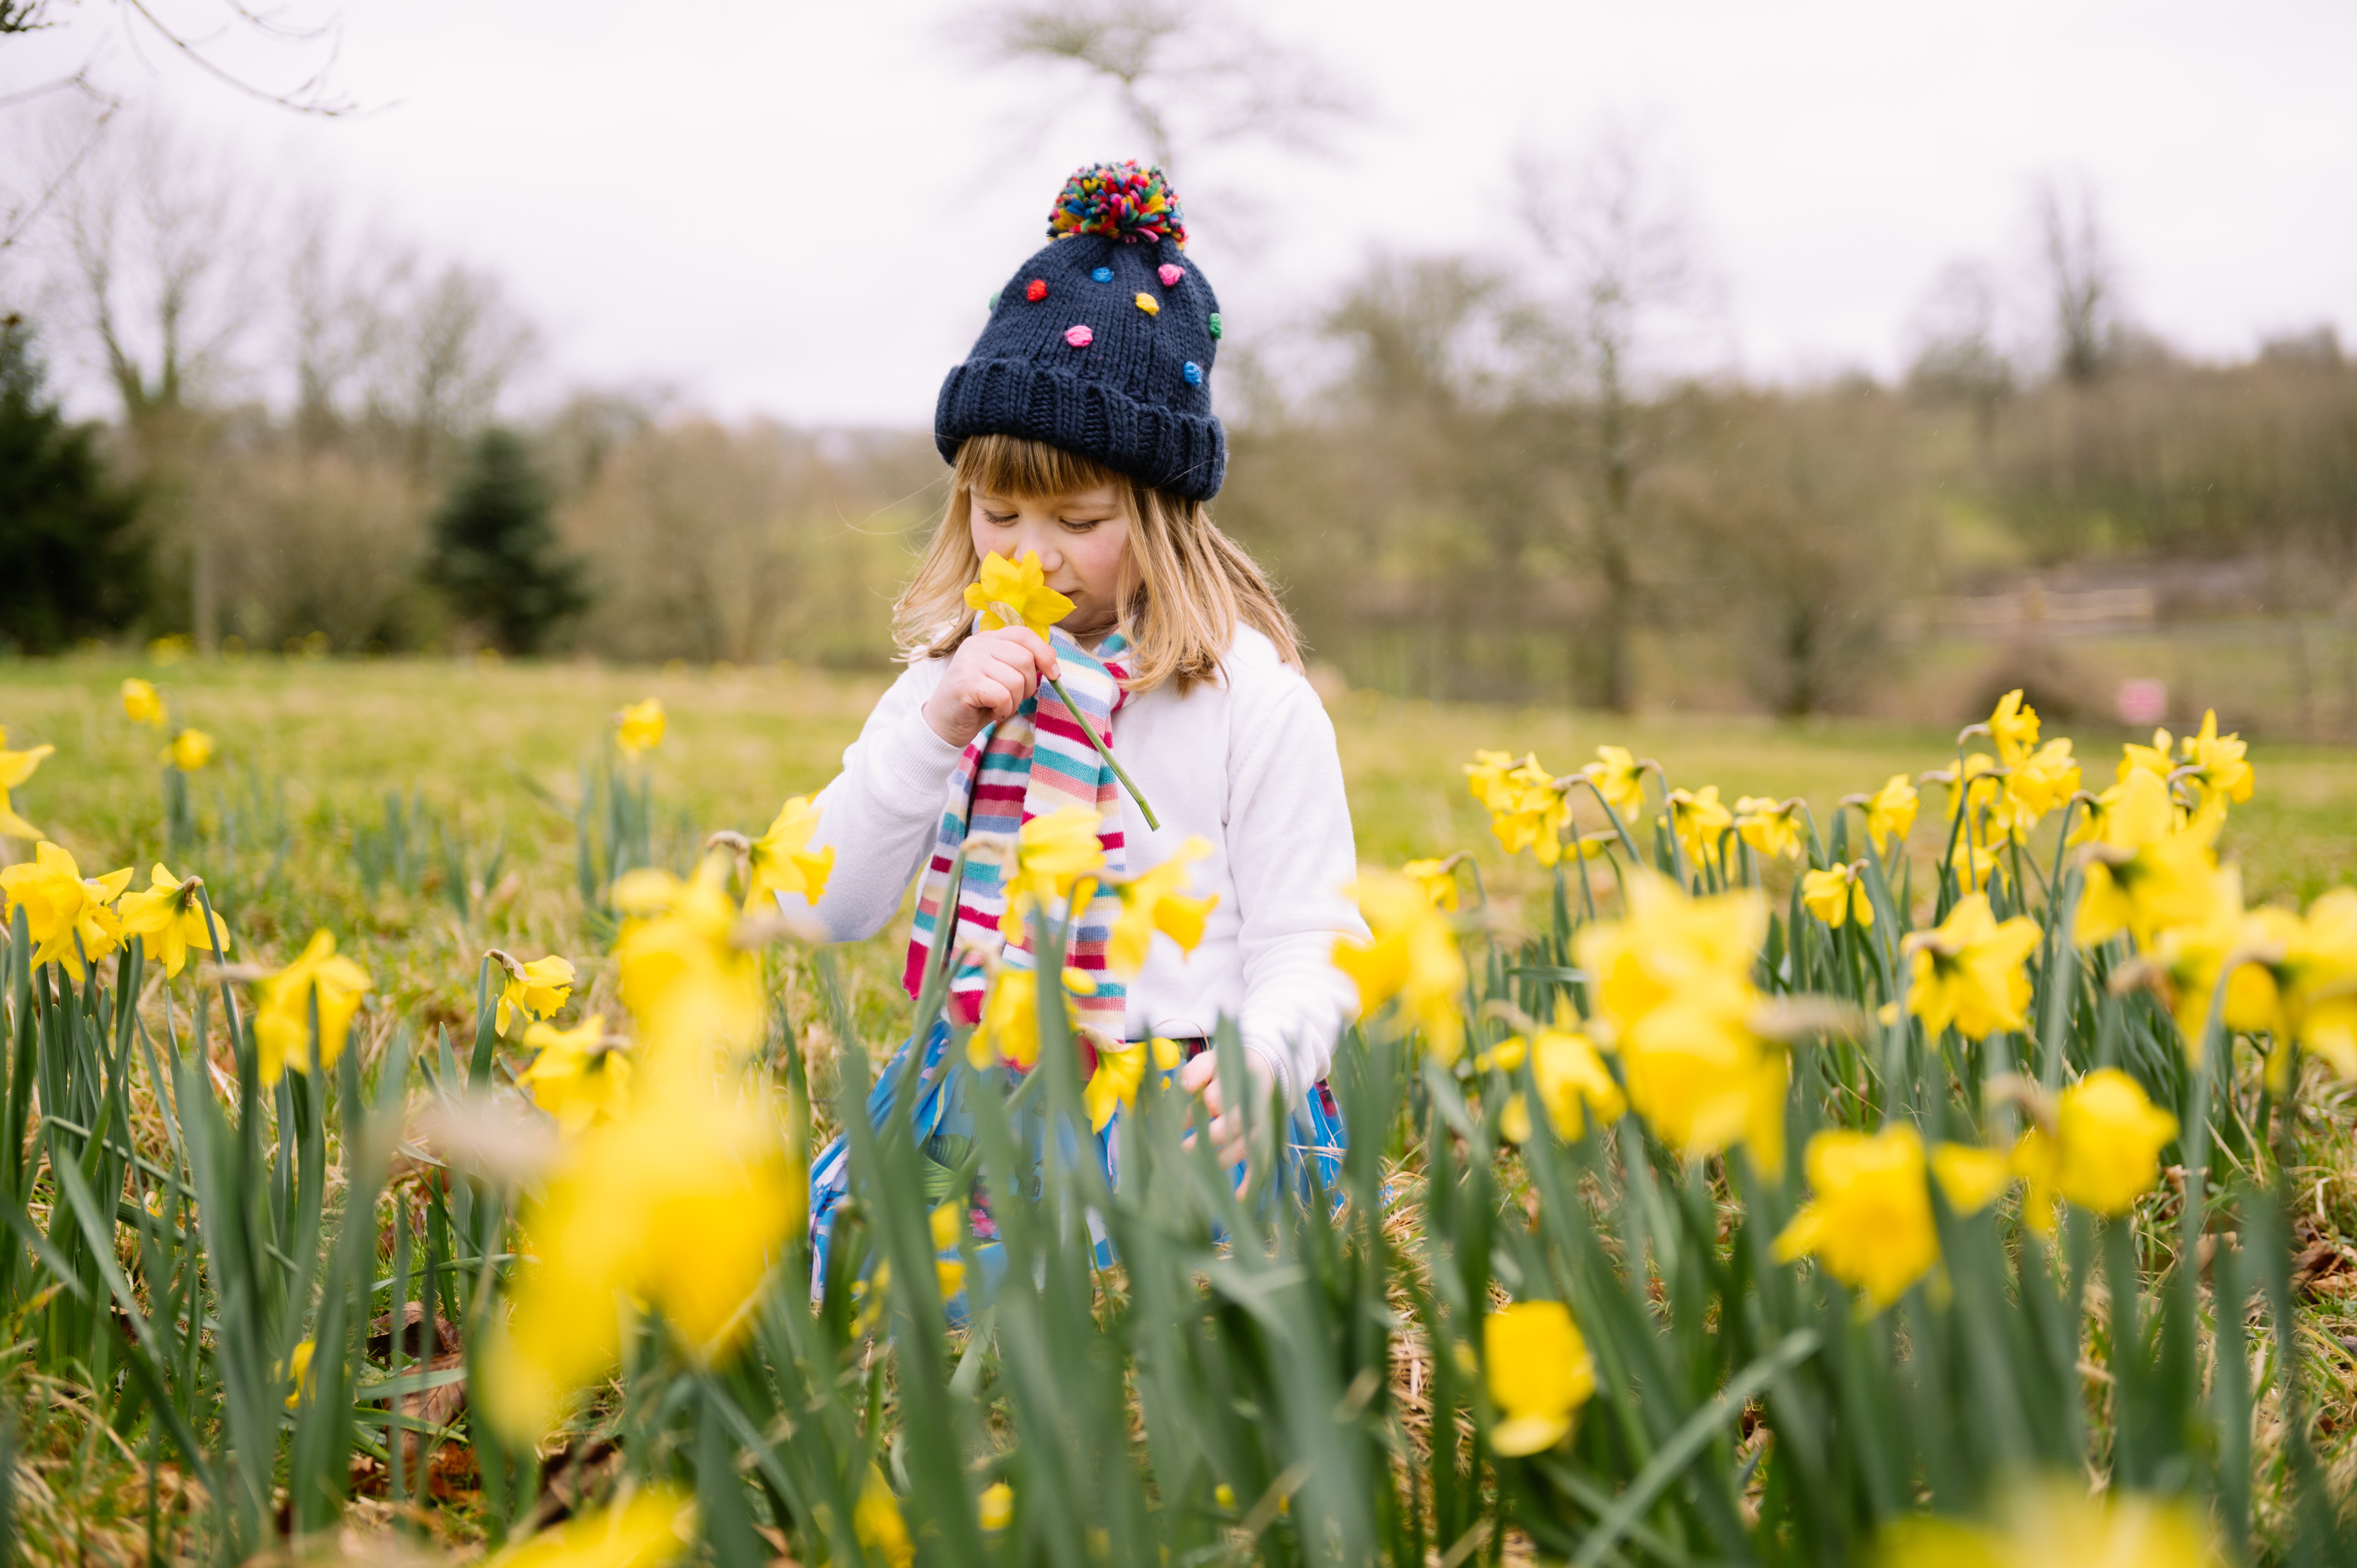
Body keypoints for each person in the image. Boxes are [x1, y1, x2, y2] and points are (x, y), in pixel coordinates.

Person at [780, 161, 1363, 1285]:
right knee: (884, 1267)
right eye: (998, 513)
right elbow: (829, 907)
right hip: (992, 1078)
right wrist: (936, 728)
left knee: (1134, 1288)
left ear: (1162, 516)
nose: (1030, 553)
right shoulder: (950, 682)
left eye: (1080, 518)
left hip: (1188, 1094)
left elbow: (1313, 946)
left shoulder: (1251, 700)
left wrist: (1266, 1064)